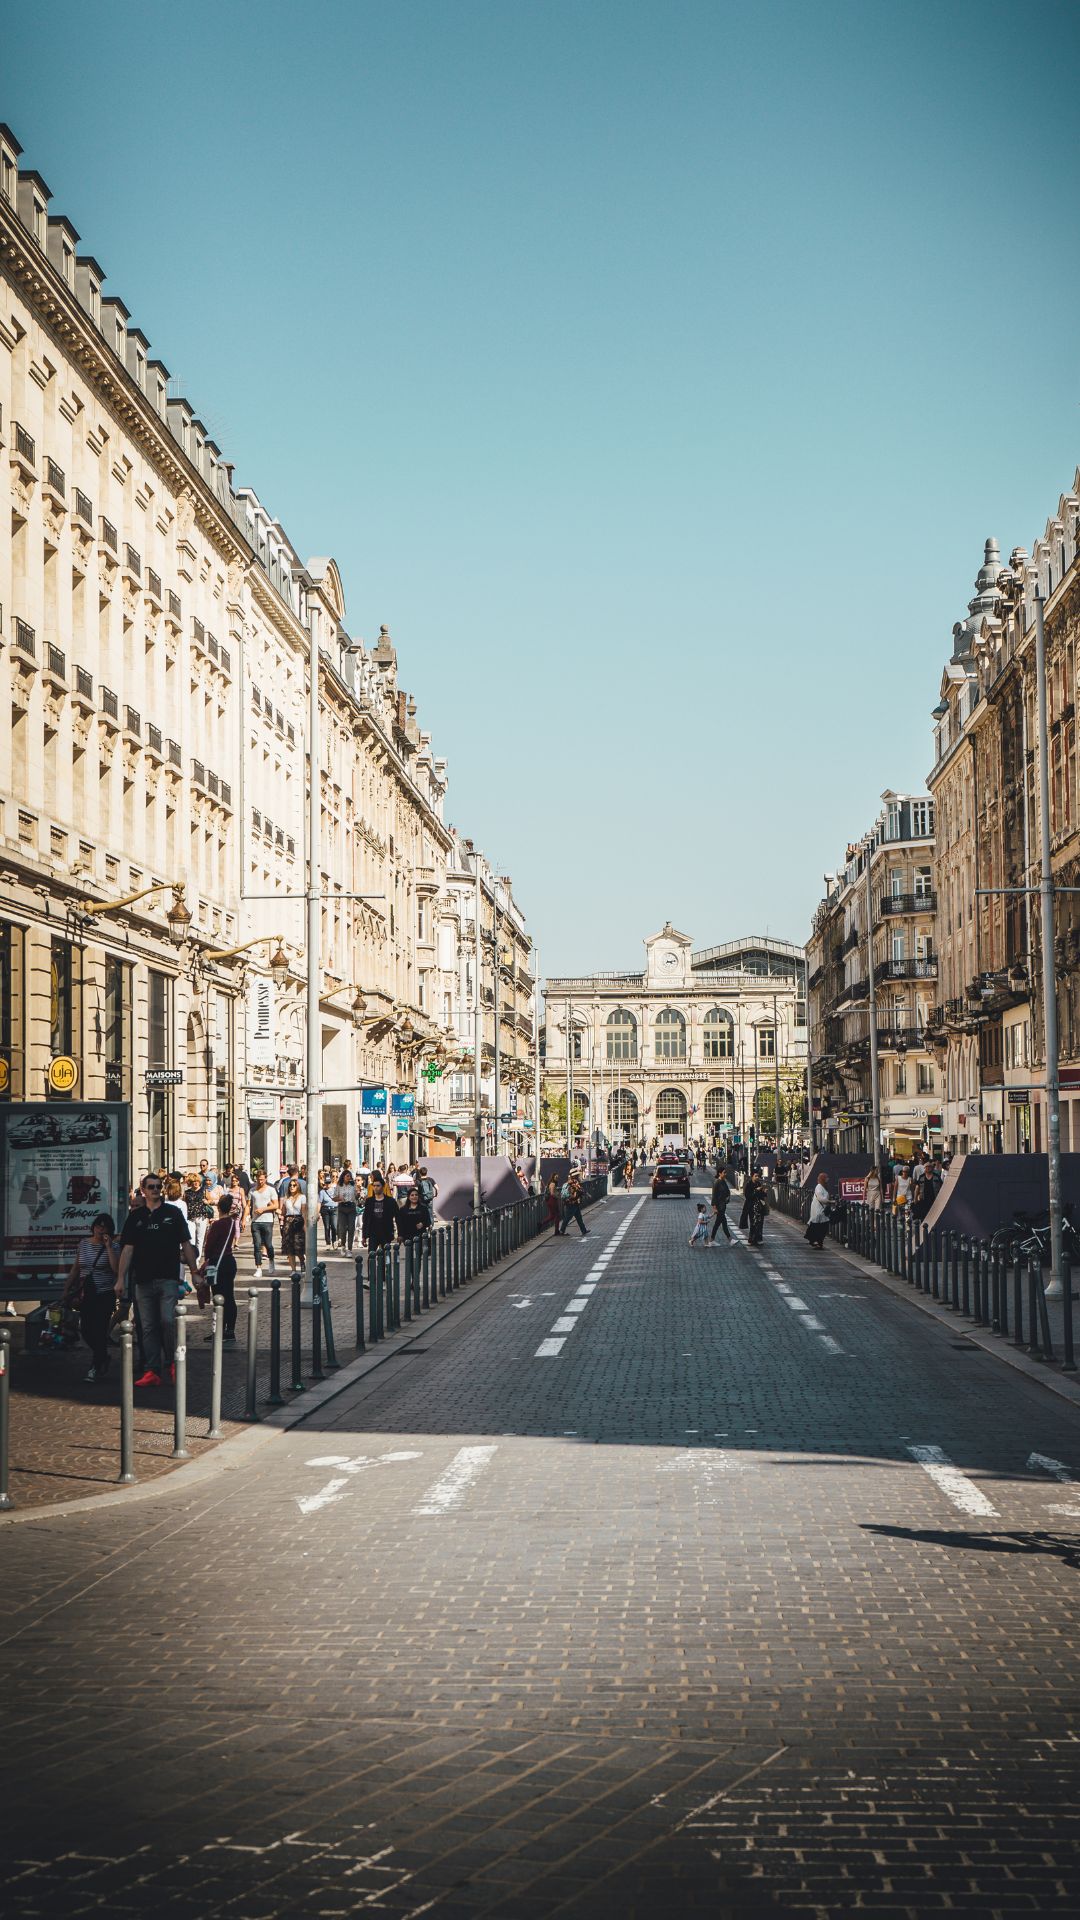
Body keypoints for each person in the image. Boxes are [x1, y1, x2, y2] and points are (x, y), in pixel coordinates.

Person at [117, 1174, 199, 1387]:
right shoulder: (136, 1217)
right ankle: (152, 1370)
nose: (155, 1190)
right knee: (147, 1326)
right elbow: (127, 1249)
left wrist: (194, 1271)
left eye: (158, 1186)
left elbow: (186, 1244)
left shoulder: (173, 1213)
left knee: (167, 1320)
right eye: (151, 1187)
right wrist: (120, 1279)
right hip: (142, 1279)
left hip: (168, 1278)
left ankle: (172, 1361)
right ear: (143, 1190)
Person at [64, 1212, 120, 1381]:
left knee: (100, 1329)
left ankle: (95, 1366)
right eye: (98, 1225)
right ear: (93, 1227)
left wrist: (109, 1247)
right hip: (87, 1293)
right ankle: (102, 1356)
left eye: (104, 1226)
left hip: (104, 1293)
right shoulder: (84, 1244)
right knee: (86, 1329)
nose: (100, 1229)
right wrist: (66, 1288)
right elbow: (76, 1268)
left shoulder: (114, 1247)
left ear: (109, 1230)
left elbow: (115, 1269)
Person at [199, 1194, 240, 1341]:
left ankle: (219, 1331)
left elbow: (209, 1246)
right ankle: (230, 1330)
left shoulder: (217, 1225)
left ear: (218, 1207)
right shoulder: (231, 1222)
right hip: (229, 1261)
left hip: (217, 1263)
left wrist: (206, 1259)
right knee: (229, 1296)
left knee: (218, 1297)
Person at [249, 1168, 279, 1273]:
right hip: (255, 1221)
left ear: (265, 1179)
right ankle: (258, 1267)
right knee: (257, 1245)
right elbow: (248, 1206)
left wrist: (263, 1209)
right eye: (258, 1179)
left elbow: (276, 1205)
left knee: (268, 1244)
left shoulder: (271, 1190)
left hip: (267, 1221)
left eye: (262, 1179)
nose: (260, 1181)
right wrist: (244, 1219)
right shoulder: (252, 1191)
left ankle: (271, 1260)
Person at [362, 1176, 398, 1250]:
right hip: (373, 1232)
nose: (375, 1188)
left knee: (386, 1257)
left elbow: (398, 1217)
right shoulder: (369, 1201)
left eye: (378, 1186)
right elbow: (366, 1219)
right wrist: (364, 1236)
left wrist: (400, 1234)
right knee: (371, 1256)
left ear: (383, 1186)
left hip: (386, 1232)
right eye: (374, 1186)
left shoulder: (390, 1201)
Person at [183, 1175, 214, 1260]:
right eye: (193, 1182)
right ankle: (192, 1257)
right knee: (191, 1239)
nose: (196, 1183)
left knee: (200, 1240)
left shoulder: (204, 1191)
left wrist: (207, 1201)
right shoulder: (187, 1192)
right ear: (190, 1183)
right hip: (190, 1218)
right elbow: (184, 1203)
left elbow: (211, 1200)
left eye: (197, 1181)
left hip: (202, 1217)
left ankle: (197, 1259)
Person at [280, 1176, 307, 1273]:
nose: (292, 1187)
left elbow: (303, 1212)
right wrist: (277, 1211)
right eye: (290, 1185)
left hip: (298, 1221)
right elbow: (283, 1212)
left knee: (298, 1246)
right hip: (288, 1222)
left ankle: (302, 1263)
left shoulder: (302, 1197)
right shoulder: (286, 1198)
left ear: (298, 1187)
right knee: (289, 1248)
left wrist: (305, 1226)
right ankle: (293, 1270)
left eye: (294, 1185)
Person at [560, 1168, 588, 1238]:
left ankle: (583, 1230)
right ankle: (561, 1230)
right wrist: (585, 1194)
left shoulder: (566, 1183)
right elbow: (580, 1190)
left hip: (570, 1203)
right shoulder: (574, 1182)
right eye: (577, 1175)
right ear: (574, 1176)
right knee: (568, 1218)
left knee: (578, 1218)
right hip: (572, 1203)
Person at [336, 1169, 359, 1251]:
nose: (349, 1178)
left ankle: (349, 1249)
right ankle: (343, 1245)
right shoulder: (339, 1185)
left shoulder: (353, 1185)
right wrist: (339, 1198)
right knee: (342, 1229)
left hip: (351, 1207)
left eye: (350, 1176)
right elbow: (335, 1197)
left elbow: (356, 1196)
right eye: (347, 1176)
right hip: (342, 1207)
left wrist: (357, 1194)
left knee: (351, 1228)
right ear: (343, 1177)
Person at [806, 1173, 831, 1250]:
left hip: (821, 1211)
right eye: (826, 1177)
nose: (828, 1179)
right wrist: (830, 1201)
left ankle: (818, 1242)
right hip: (819, 1211)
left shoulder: (823, 1186)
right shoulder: (819, 1187)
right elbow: (821, 1198)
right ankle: (817, 1242)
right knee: (820, 1227)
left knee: (821, 1227)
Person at [709, 1165, 732, 1242]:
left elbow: (727, 1191)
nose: (725, 1174)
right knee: (723, 1223)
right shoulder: (717, 1182)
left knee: (718, 1223)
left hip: (723, 1205)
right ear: (719, 1173)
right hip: (719, 1206)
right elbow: (714, 1195)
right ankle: (730, 1239)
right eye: (724, 1173)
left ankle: (711, 1240)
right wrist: (714, 1207)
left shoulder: (723, 1181)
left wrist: (728, 1197)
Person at [747, 1170, 769, 1247]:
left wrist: (764, 1192)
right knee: (753, 1223)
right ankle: (751, 1239)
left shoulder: (758, 1183)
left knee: (760, 1223)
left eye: (758, 1176)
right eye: (755, 1176)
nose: (757, 1177)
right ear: (752, 1176)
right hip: (752, 1207)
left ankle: (758, 1238)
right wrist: (756, 1190)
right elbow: (748, 1196)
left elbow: (761, 1195)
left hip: (759, 1206)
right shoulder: (749, 1184)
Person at [318, 1169, 338, 1247]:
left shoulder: (335, 1190)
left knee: (334, 1226)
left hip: (334, 1209)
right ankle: (328, 1243)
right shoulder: (322, 1192)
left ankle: (334, 1241)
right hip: (325, 1210)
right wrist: (318, 1212)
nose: (327, 1185)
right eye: (326, 1183)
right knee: (327, 1227)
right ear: (324, 1183)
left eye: (329, 1183)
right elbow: (319, 1202)